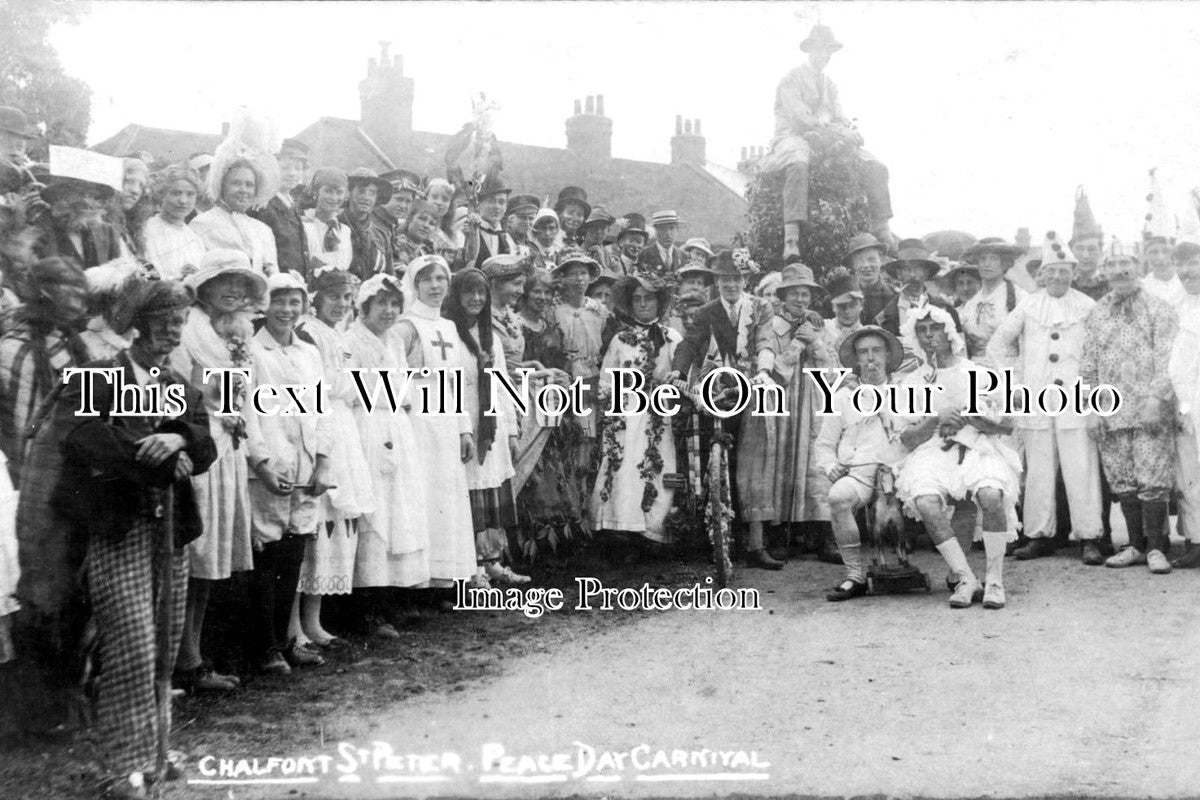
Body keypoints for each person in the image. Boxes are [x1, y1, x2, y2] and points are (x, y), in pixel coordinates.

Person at [54, 279, 215, 799]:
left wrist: (179, 437)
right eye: (166, 318)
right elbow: (81, 436)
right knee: (132, 646)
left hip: (170, 530)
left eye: (181, 319)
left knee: (164, 643)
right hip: (119, 527)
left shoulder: (179, 383)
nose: (174, 328)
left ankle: (156, 748)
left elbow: (204, 443)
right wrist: (152, 455)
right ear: (141, 322)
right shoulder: (100, 377)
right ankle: (121, 765)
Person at [170, 249, 264, 692]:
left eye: (242, 284)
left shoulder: (238, 331)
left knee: (213, 555)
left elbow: (244, 391)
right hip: (198, 443)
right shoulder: (188, 328)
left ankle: (193, 655)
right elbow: (181, 389)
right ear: (204, 287)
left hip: (227, 446)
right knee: (195, 552)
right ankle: (178, 659)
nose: (234, 290)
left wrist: (235, 413)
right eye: (224, 281)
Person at [894, 306, 1022, 609]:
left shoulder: (978, 374)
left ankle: (994, 580)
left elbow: (1006, 425)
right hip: (935, 449)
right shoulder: (914, 380)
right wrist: (934, 418)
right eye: (922, 330)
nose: (929, 336)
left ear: (949, 331)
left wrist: (974, 419)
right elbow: (907, 439)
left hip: (978, 445)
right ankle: (966, 577)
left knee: (991, 496)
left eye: (935, 328)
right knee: (925, 500)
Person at [988, 233, 1104, 564]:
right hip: (1037, 400)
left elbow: (1098, 351)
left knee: (1080, 468)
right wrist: (1016, 379)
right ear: (1042, 274)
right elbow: (998, 344)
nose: (1057, 277)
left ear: (1072, 272)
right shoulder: (1028, 304)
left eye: (1063, 271)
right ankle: (1039, 535)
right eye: (1051, 271)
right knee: (1038, 470)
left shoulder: (1086, 306)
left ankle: (1090, 537)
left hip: (1076, 400)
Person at [244, 272, 333, 674]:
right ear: (265, 304)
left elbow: (320, 411)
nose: (286, 310)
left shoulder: (308, 353)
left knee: (294, 553)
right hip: (269, 469)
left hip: (305, 466)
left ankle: (286, 639)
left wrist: (323, 462)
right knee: (266, 554)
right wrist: (260, 465)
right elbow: (245, 414)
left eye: (294, 302)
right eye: (279, 301)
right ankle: (264, 647)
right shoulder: (249, 351)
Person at [668, 249, 777, 567]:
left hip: (751, 385)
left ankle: (756, 545)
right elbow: (689, 342)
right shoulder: (706, 311)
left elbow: (765, 342)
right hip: (715, 386)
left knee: (753, 462)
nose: (731, 284)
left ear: (745, 280)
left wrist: (765, 371)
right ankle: (713, 538)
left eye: (736, 278)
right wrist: (678, 369)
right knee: (709, 457)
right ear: (717, 282)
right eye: (724, 279)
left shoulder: (760, 308)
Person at [1081, 242, 1178, 573]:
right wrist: (1092, 409)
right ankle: (1135, 545)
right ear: (1104, 272)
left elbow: (1168, 359)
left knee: (1152, 479)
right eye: (1113, 264)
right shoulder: (1096, 313)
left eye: (1127, 263)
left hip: (1149, 411)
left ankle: (1156, 548)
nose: (1120, 270)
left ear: (1138, 267)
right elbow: (1088, 364)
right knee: (1122, 481)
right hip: (1111, 410)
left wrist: (1156, 400)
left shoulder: (1159, 308)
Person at [344, 274, 429, 637]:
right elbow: (354, 388)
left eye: (395, 304)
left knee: (398, 511)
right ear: (364, 306)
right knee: (375, 513)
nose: (389, 311)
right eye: (382, 304)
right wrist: (392, 391)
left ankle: (393, 598)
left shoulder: (394, 340)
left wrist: (396, 392)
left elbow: (404, 386)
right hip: (368, 428)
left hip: (395, 426)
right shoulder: (352, 340)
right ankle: (366, 608)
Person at [764, 24, 892, 258]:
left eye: (829, 52)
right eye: (821, 50)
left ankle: (882, 226)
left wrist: (848, 132)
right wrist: (830, 130)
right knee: (798, 163)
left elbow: (841, 117)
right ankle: (791, 238)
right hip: (793, 136)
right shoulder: (791, 79)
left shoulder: (829, 85)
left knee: (875, 164)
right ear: (810, 49)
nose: (825, 56)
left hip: (826, 138)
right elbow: (799, 116)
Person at [294, 267, 373, 647]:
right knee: (315, 523)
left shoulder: (341, 334)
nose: (341, 304)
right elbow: (323, 386)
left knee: (338, 523)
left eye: (347, 298)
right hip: (321, 423)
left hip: (344, 426)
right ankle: (295, 626)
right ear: (317, 297)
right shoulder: (309, 332)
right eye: (334, 296)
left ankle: (315, 621)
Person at [737, 263, 834, 553]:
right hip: (780, 399)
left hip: (811, 399)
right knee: (779, 462)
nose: (801, 300)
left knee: (813, 462)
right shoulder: (771, 326)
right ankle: (780, 535)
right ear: (782, 295)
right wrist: (796, 345)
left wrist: (813, 340)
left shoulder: (819, 326)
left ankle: (822, 534)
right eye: (795, 294)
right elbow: (773, 370)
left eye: (805, 294)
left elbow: (830, 367)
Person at [395, 255, 480, 589]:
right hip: (417, 419)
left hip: (445, 420)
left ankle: (446, 576)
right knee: (422, 494)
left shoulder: (447, 326)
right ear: (415, 285)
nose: (434, 286)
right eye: (427, 280)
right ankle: (417, 579)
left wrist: (464, 429)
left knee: (446, 495)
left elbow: (454, 380)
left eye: (440, 279)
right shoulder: (406, 326)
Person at [444, 268, 530, 585]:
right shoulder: (448, 333)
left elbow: (501, 383)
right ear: (456, 294)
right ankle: (472, 568)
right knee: (470, 491)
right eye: (469, 292)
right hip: (464, 421)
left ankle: (492, 561)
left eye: (481, 293)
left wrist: (511, 431)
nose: (476, 298)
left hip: (490, 423)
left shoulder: (488, 335)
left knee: (491, 488)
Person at [815, 326, 904, 601]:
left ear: (888, 356)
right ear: (855, 359)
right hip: (860, 473)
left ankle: (956, 574)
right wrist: (832, 466)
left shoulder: (905, 390)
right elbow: (824, 445)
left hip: (903, 469)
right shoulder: (842, 397)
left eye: (877, 351)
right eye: (863, 352)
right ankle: (854, 576)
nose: (870, 358)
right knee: (838, 496)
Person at [591, 275, 681, 546]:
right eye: (637, 299)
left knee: (656, 465)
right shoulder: (620, 340)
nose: (643, 304)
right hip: (626, 412)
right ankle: (620, 528)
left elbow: (681, 372)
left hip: (657, 411)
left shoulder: (670, 337)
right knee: (623, 465)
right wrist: (611, 411)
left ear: (659, 302)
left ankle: (652, 529)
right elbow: (607, 379)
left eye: (648, 298)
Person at [0, 257, 90, 479]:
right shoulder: (18, 350)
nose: (78, 306)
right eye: (70, 296)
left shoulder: (66, 336)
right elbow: (24, 436)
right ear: (46, 296)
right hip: (41, 476)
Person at [190, 114, 280, 274]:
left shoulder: (263, 230)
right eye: (236, 183)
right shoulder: (202, 224)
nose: (243, 190)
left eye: (249, 185)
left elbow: (273, 276)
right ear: (222, 186)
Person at [551, 251, 608, 468]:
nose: (579, 279)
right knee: (565, 433)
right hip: (564, 374)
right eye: (573, 274)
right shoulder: (554, 309)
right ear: (563, 279)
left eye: (583, 273)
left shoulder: (598, 309)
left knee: (588, 434)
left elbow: (605, 339)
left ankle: (585, 482)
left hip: (590, 375)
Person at [1167, 238, 1200, 568]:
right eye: (1182, 264)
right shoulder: (1176, 306)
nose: (1187, 271)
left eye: (1194, 262)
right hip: (1189, 404)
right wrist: (1183, 406)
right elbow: (1175, 366)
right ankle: (1196, 539)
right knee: (1190, 473)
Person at [33, 153, 127, 268]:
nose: (88, 202)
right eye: (81, 192)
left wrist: (151, 277)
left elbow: (136, 267)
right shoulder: (37, 231)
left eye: (95, 196)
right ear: (60, 194)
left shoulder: (108, 232)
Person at [957, 237, 1026, 365]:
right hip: (976, 368)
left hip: (1008, 367)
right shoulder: (971, 302)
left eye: (994, 258)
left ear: (1006, 263)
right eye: (982, 259)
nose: (986, 264)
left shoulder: (1020, 297)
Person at [249, 138, 310, 277]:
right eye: (285, 168)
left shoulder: (291, 202)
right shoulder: (263, 204)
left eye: (297, 168)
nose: (292, 173)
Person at [142, 164, 207, 280]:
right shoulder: (146, 231)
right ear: (162, 195)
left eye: (190, 194)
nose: (183, 201)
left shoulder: (195, 240)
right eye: (176, 193)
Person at [341, 167, 393, 280]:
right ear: (349, 192)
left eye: (372, 193)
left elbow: (390, 276)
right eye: (361, 191)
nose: (366, 197)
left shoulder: (382, 234)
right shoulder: (335, 225)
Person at [302, 168, 353, 272]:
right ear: (316, 192)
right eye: (328, 191)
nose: (334, 198)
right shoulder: (303, 225)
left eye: (339, 192)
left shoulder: (344, 231)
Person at [842, 232, 894, 326]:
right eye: (859, 261)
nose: (866, 265)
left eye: (871, 259)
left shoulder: (895, 297)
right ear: (853, 265)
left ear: (881, 260)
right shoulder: (842, 297)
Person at [373, 168, 422, 263]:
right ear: (384, 197)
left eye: (408, 201)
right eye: (399, 199)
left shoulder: (392, 226)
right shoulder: (373, 224)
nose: (403, 206)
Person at [465, 173, 511, 270]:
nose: (497, 207)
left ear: (506, 207)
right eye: (491, 201)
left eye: (501, 202)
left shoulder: (507, 239)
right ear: (478, 205)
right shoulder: (467, 232)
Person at [1070, 186, 1108, 301]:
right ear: (1071, 251)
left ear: (1100, 252)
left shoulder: (1110, 286)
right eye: (1080, 249)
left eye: (1091, 249)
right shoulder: (1063, 286)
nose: (1085, 255)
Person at [392, 198, 442, 271]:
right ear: (409, 218)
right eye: (422, 219)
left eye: (432, 224)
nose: (426, 226)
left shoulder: (429, 250)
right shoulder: (397, 242)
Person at [117, 157, 153, 256]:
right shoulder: (96, 224)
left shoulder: (134, 228)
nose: (135, 191)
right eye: (128, 181)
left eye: (141, 186)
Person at [822, 267, 864, 350]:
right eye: (841, 306)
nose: (847, 311)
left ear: (861, 305)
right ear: (833, 306)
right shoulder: (823, 329)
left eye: (852, 305)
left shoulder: (866, 334)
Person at [638, 210, 684, 277]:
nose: (668, 233)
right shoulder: (644, 254)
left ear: (677, 230)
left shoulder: (683, 256)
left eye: (671, 228)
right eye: (663, 228)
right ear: (655, 231)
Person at [504, 193, 540, 258]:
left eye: (531, 218)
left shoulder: (534, 248)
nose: (527, 222)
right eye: (522, 217)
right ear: (510, 220)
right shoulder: (502, 243)